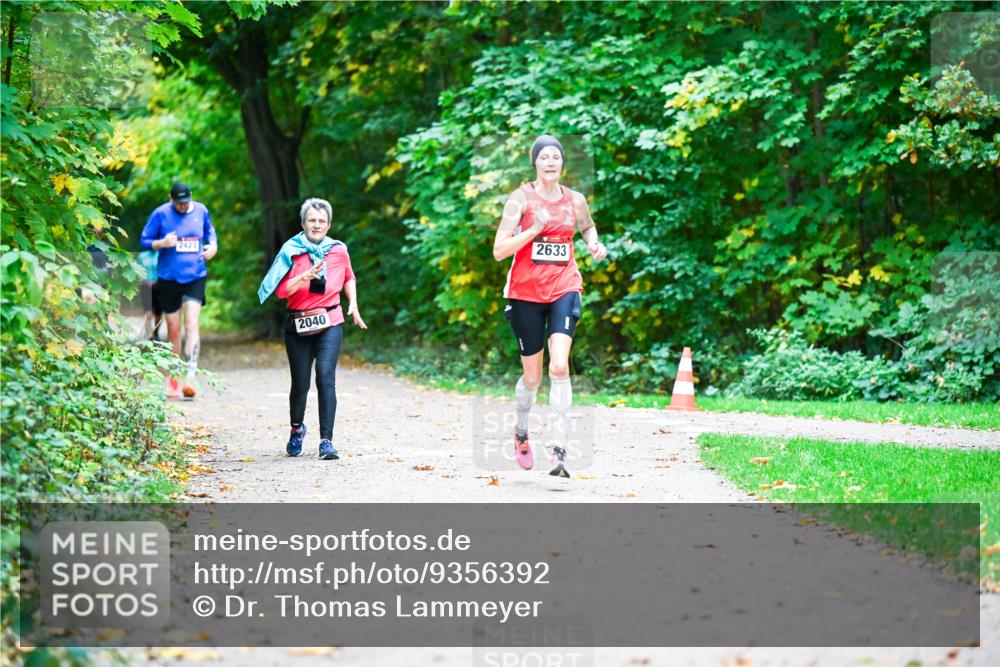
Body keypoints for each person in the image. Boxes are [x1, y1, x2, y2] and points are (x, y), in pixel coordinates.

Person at [492, 135, 608, 478]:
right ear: (535, 163)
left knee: (559, 367)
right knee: (533, 376)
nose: (551, 162)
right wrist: (533, 230)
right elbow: (499, 250)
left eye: (556, 156)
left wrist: (594, 244)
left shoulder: (576, 200)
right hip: (525, 293)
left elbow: (587, 227)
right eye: (544, 157)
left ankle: (559, 452)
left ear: (562, 163)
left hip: (564, 287)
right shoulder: (519, 200)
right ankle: (522, 432)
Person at [258, 197, 366, 460]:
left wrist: (353, 303)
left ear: (329, 225)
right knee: (301, 383)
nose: (316, 225)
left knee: (326, 378)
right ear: (303, 223)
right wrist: (304, 277)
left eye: (321, 221)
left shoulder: (338, 250)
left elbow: (349, 277)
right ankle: (297, 429)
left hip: (330, 320)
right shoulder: (291, 251)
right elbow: (281, 291)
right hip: (298, 323)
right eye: (312, 220)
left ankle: (326, 441)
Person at [140, 182, 217, 398]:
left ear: (191, 198)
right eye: (178, 203)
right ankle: (174, 375)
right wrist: (161, 243)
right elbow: (144, 241)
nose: (183, 207)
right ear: (170, 199)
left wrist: (212, 248)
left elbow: (210, 234)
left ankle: (190, 377)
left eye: (186, 202)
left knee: (191, 323)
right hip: (168, 277)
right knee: (173, 328)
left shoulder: (201, 210)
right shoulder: (160, 214)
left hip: (195, 275)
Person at [137, 249, 162, 340]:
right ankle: (149, 335)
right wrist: (140, 281)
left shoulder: (161, 254)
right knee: (148, 312)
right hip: (145, 286)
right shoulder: (142, 256)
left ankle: (156, 332)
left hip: (159, 286)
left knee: (158, 312)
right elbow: (138, 270)